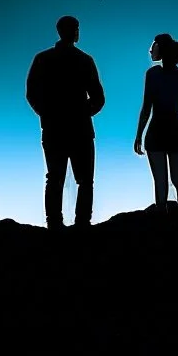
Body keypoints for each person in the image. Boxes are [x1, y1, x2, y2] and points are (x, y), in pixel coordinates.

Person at [26, 15, 105, 231]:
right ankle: (81, 223)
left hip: (54, 128)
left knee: (55, 178)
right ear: (73, 31)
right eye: (77, 28)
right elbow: (98, 97)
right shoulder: (84, 60)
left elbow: (32, 93)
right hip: (78, 129)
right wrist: (82, 112)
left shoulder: (43, 59)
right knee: (84, 179)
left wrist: (47, 113)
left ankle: (55, 223)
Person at [134, 33, 178, 216]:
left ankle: (165, 221)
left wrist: (139, 135)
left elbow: (147, 107)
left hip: (159, 130)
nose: (151, 49)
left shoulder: (153, 74)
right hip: (174, 131)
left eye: (155, 45)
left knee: (163, 181)